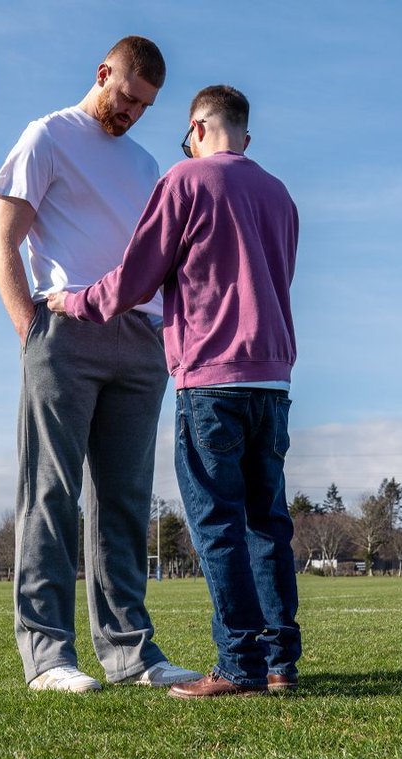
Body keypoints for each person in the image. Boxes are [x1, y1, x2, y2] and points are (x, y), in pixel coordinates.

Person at [48, 85, 300, 698]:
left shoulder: (188, 180)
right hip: (272, 378)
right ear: (244, 133)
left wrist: (73, 301)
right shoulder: (280, 194)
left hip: (212, 378)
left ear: (196, 128)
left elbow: (136, 275)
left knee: (217, 523)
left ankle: (239, 666)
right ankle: (279, 665)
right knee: (268, 524)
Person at [0, 36, 202, 694]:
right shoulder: (47, 136)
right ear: (104, 73)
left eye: (144, 107)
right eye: (127, 97)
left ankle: (131, 653)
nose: (132, 113)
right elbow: (3, 239)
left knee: (126, 503)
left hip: (140, 342)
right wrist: (32, 333)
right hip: (65, 333)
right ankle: (48, 657)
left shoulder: (145, 166)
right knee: (51, 494)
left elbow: (157, 261)